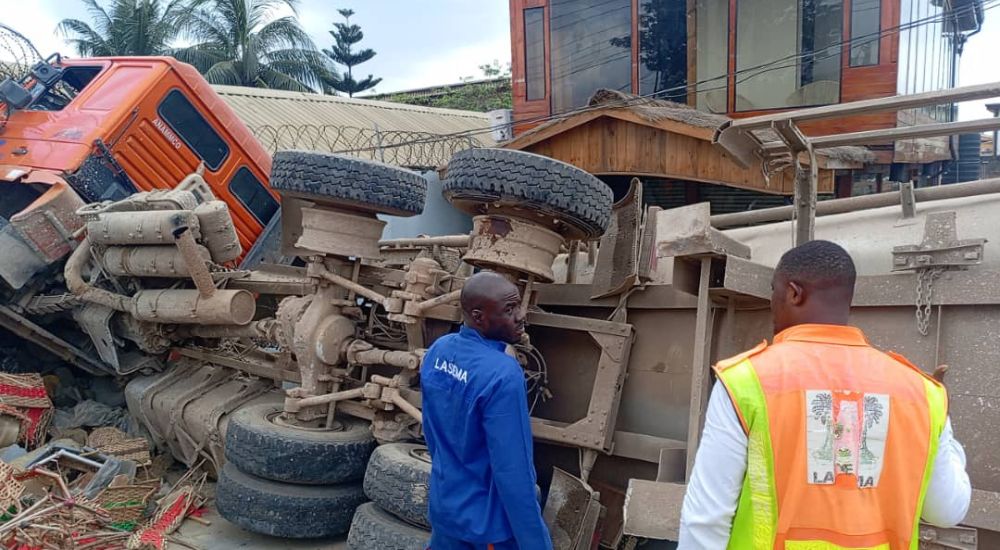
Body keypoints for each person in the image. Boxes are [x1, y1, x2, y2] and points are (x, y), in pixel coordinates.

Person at [678, 240, 971, 549]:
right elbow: (947, 511)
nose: (772, 305)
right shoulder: (923, 393)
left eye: (773, 293)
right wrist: (943, 427)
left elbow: (705, 521)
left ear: (793, 292)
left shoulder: (746, 381)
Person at [420, 271, 552, 550]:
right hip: (486, 528)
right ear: (479, 317)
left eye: (518, 306)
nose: (520, 316)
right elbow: (513, 471)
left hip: (446, 509)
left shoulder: (438, 351)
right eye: (509, 309)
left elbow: (432, 435)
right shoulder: (503, 374)